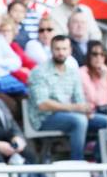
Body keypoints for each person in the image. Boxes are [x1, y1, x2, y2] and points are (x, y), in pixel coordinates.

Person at [27, 34, 94, 162]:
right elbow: (42, 104)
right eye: (57, 49)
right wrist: (74, 107)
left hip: (69, 114)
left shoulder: (72, 72)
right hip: (44, 119)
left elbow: (79, 98)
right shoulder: (39, 72)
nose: (61, 52)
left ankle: (100, 163)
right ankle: (77, 165)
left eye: (64, 49)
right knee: (79, 121)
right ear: (51, 50)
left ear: (70, 50)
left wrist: (86, 110)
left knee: (106, 122)